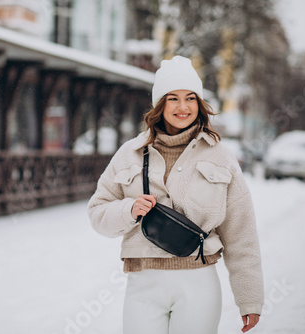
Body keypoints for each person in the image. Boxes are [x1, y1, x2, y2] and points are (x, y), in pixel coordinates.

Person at [88, 55, 264, 334]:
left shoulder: (220, 156)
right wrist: (128, 210)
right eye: (173, 98)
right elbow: (97, 212)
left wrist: (250, 299)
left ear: (200, 103)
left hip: (199, 283)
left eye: (190, 98)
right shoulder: (129, 153)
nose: (183, 107)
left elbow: (242, 235)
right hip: (143, 284)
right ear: (160, 104)